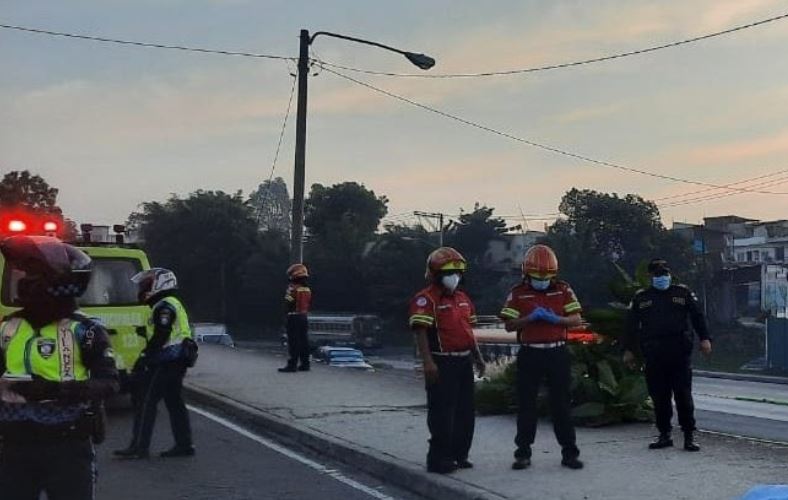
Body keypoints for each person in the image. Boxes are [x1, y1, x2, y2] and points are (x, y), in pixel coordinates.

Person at [0, 235, 118, 500]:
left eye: (33, 275)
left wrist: (56, 390)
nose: (24, 283)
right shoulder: (8, 327)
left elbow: (109, 383)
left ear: (57, 282)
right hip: (14, 447)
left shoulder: (86, 331)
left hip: (67, 445)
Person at [499, 244, 584, 470]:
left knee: (561, 405)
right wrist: (529, 319)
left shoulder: (563, 290)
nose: (543, 280)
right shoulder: (518, 293)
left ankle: (569, 453)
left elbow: (576, 319)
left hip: (557, 351)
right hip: (531, 352)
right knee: (527, 405)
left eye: (547, 276)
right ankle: (523, 453)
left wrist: (557, 319)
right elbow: (508, 325)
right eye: (538, 276)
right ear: (527, 274)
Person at [408, 247, 485, 474]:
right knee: (442, 413)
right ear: (435, 273)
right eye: (449, 273)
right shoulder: (425, 299)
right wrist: (428, 362)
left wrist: (477, 357)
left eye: (458, 273)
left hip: (463, 361)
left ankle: (460, 455)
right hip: (442, 362)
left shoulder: (462, 299)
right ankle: (439, 459)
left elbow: (467, 331)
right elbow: (420, 331)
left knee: (465, 412)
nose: (454, 277)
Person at [623, 258, 712, 452]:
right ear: (651, 277)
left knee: (683, 396)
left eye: (664, 274)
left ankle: (689, 436)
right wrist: (629, 350)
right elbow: (630, 326)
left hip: (679, 353)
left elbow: (697, 317)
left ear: (669, 274)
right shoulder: (642, 298)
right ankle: (665, 435)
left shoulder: (682, 293)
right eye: (658, 274)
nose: (662, 277)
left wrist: (705, 339)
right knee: (659, 397)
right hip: (654, 354)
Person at [114, 267, 196, 459]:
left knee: (146, 402)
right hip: (177, 360)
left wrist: (144, 357)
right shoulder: (170, 303)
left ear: (160, 284)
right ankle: (184, 445)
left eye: (147, 284)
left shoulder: (164, 306)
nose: (143, 289)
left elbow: (161, 334)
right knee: (175, 403)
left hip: (166, 361)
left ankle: (139, 448)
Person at [278, 264, 312, 373]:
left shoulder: (292, 288)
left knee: (293, 342)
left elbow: (288, 302)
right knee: (304, 341)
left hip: (293, 317)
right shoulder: (307, 289)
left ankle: (292, 364)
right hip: (303, 316)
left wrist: (284, 314)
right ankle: (305, 363)